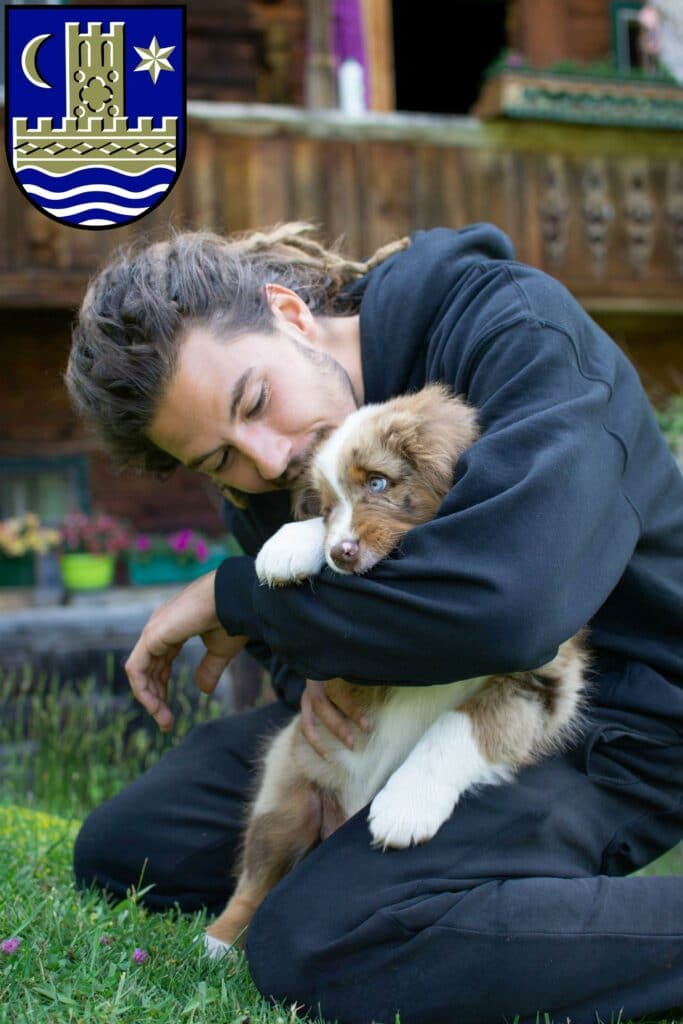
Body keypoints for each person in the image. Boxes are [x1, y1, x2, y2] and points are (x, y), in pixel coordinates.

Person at [67, 222, 683, 1024]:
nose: (264, 459)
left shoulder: (515, 331)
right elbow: (308, 648)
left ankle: (482, 892)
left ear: (288, 314)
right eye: (217, 459)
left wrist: (236, 598)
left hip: (601, 720)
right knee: (127, 847)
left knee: (319, 942)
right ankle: (448, 885)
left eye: (254, 400)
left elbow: (509, 604)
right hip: (394, 705)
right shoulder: (272, 471)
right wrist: (312, 676)